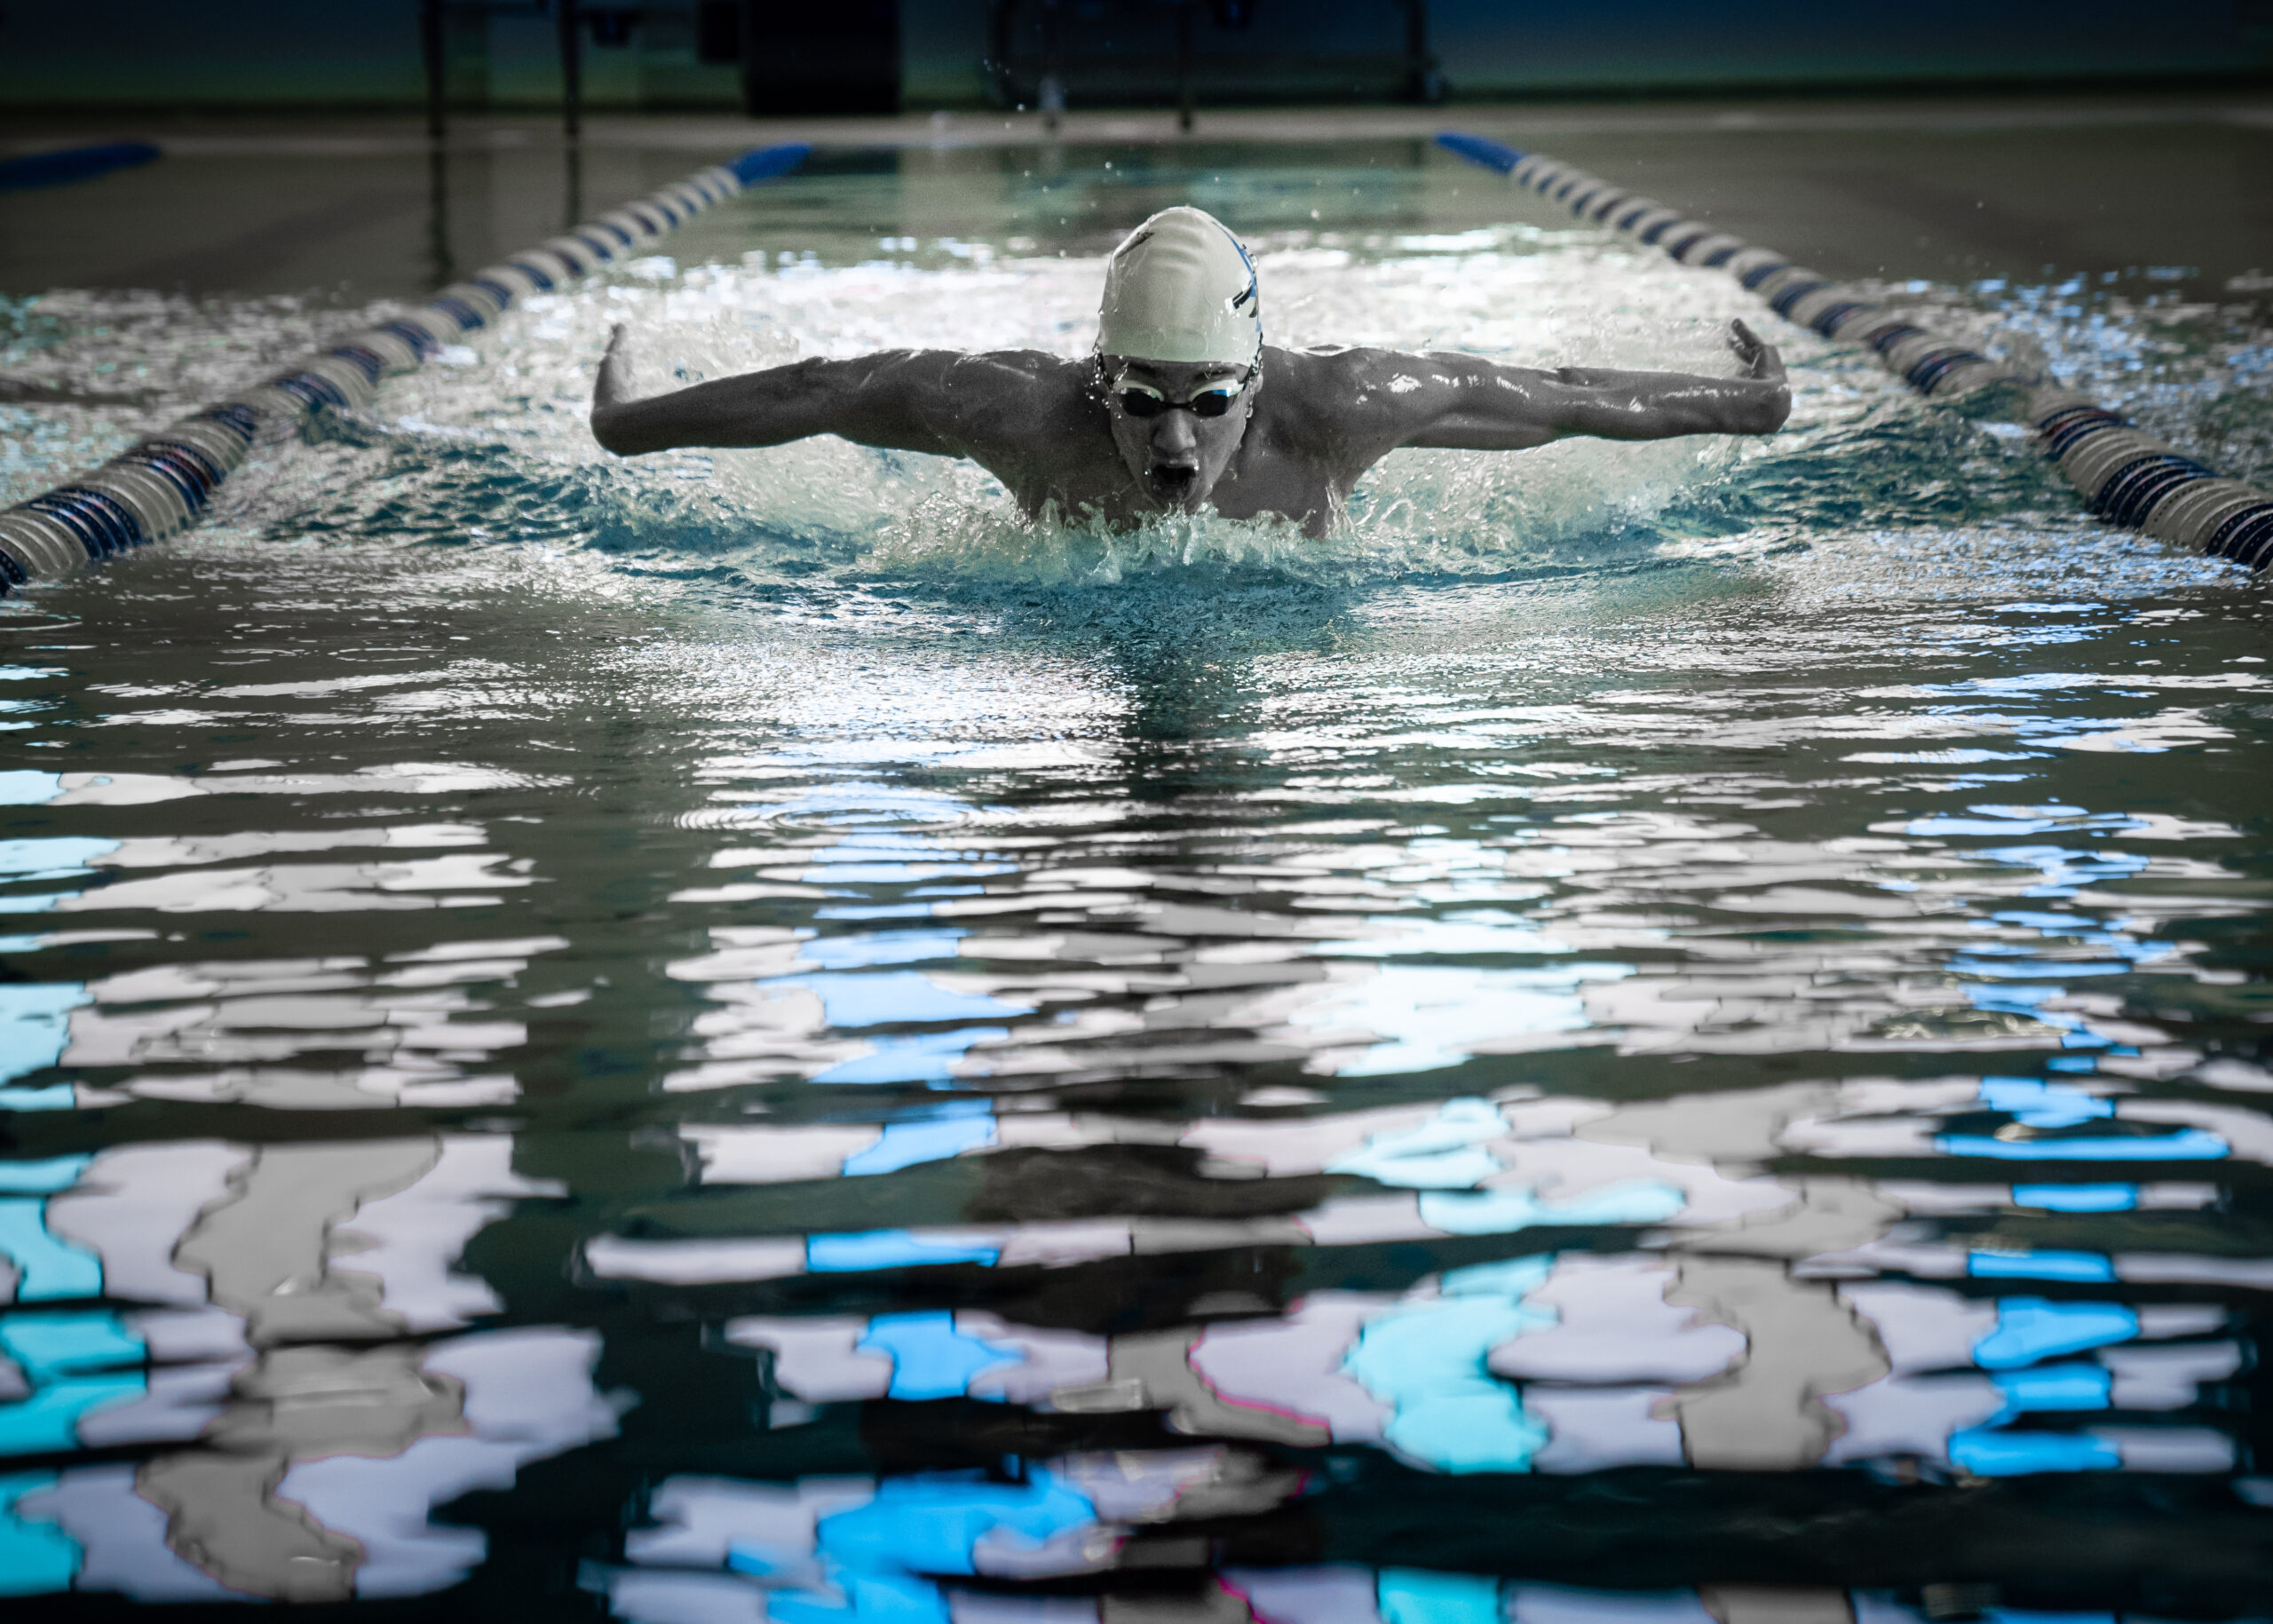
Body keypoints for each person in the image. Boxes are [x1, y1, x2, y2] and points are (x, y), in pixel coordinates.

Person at [590, 204, 1789, 536]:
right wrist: (628, 425)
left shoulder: (1340, 406)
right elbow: (823, 390)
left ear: (1256, 388)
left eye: (1210, 404)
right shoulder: (1020, 411)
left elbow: (1562, 395)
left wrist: (1748, 404)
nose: (1176, 441)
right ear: (1093, 382)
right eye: (1142, 403)